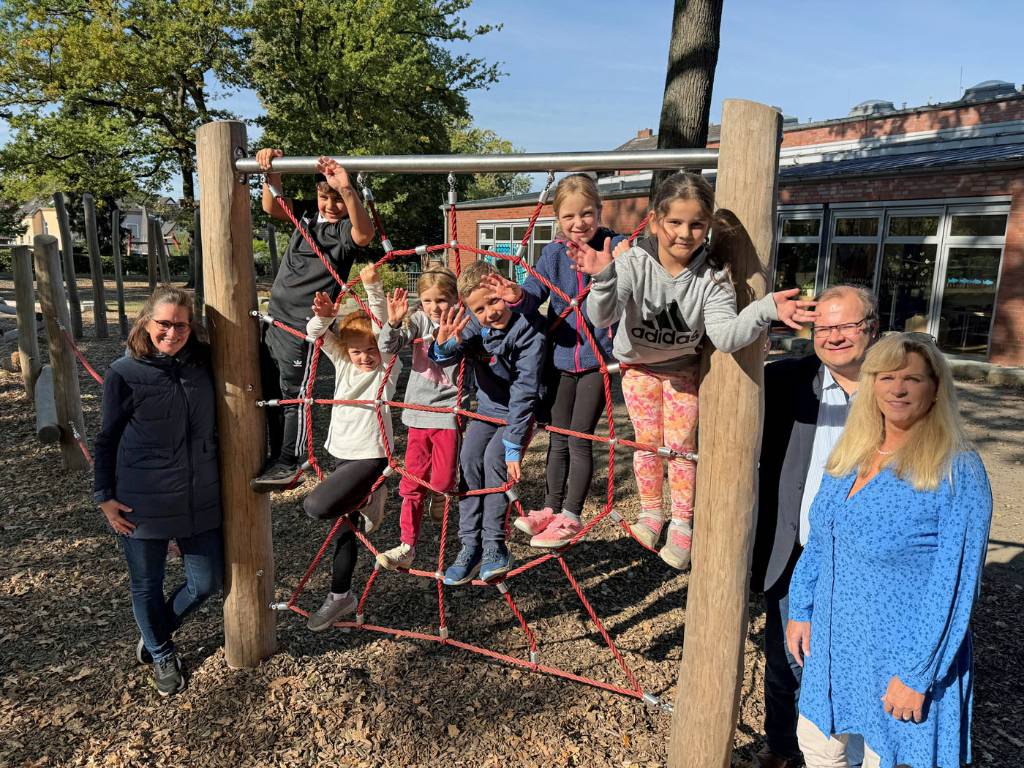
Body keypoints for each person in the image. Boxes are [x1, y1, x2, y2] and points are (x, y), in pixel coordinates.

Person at [573, 171, 813, 570]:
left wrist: (765, 309)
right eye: (675, 222)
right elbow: (601, 317)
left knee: (682, 446)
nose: (684, 234)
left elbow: (726, 335)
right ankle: (652, 513)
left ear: (708, 227)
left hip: (683, 369)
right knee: (647, 443)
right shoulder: (632, 263)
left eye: (696, 224)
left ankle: (682, 524)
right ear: (655, 221)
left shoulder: (711, 276)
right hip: (639, 367)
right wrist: (603, 278)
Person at [786, 333, 992, 768]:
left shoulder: (957, 469)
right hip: (836, 645)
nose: (898, 389)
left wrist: (918, 674)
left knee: (887, 758)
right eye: (886, 377)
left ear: (935, 388)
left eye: (912, 379)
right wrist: (801, 609)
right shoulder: (853, 452)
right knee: (818, 745)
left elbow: (955, 586)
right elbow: (822, 539)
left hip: (902, 657)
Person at [749, 285, 880, 768]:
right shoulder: (782, 381)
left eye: (846, 325)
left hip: (866, 562)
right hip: (795, 548)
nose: (833, 336)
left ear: (872, 329)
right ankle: (783, 748)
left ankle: (849, 752)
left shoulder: (895, 388)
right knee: (786, 660)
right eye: (823, 327)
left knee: (855, 665)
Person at [480, 174, 625, 549]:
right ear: (557, 219)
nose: (579, 223)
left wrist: (619, 257)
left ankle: (571, 515)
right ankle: (550, 507)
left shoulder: (612, 245)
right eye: (569, 217)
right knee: (557, 437)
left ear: (599, 211)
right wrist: (516, 293)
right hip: (560, 358)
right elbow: (533, 296)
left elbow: (630, 271)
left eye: (586, 213)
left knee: (579, 438)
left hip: (596, 360)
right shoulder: (552, 254)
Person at [93, 286, 221, 697]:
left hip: (199, 495)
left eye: (181, 325)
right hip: (140, 499)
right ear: (147, 322)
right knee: (146, 583)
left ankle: (153, 634)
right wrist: (104, 497)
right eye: (164, 323)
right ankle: (162, 653)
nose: (172, 332)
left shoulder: (204, 365)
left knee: (206, 582)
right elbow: (107, 439)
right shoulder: (124, 373)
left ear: (191, 327)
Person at [252, 147, 375, 492]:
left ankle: (291, 460)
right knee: (271, 390)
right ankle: (278, 457)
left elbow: (365, 235)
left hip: (304, 327)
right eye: (325, 197)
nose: (331, 206)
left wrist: (346, 188)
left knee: (294, 393)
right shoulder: (307, 214)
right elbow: (272, 206)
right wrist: (270, 172)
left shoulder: (344, 231)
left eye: (338, 200)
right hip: (274, 319)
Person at [429, 260, 546, 585]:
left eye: (494, 301)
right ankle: (471, 545)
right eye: (479, 309)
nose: (490, 312)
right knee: (468, 459)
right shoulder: (471, 323)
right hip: (488, 408)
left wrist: (514, 444)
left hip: (518, 413)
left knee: (495, 460)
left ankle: (495, 545)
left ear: (505, 291)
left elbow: (525, 389)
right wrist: (443, 345)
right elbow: (446, 355)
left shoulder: (529, 329)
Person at [300, 265, 402, 631]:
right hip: (342, 453)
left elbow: (383, 334)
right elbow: (315, 334)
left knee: (315, 506)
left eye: (370, 349)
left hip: (371, 455)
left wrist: (373, 288)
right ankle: (340, 595)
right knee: (345, 529)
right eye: (357, 351)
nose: (364, 356)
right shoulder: (343, 363)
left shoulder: (386, 368)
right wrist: (325, 318)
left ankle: (373, 495)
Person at [375, 266, 469, 570]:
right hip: (418, 412)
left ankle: (439, 495)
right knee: (412, 483)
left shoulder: (463, 321)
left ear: (454, 298)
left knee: (442, 481)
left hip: (449, 411)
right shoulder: (418, 321)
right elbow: (388, 347)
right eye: (428, 300)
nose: (434, 307)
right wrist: (393, 322)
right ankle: (407, 546)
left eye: (441, 300)